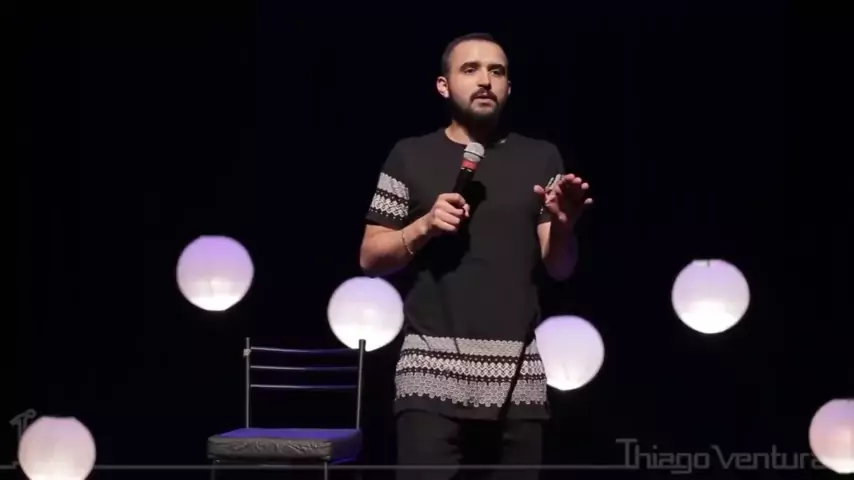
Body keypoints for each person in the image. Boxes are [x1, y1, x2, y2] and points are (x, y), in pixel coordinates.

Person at [359, 32, 593, 480]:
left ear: (508, 87)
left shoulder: (542, 158)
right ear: (443, 85)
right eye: (471, 69)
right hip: (429, 371)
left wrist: (564, 226)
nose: (485, 80)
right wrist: (424, 225)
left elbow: (560, 267)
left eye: (496, 71)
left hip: (516, 375)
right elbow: (371, 257)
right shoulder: (409, 155)